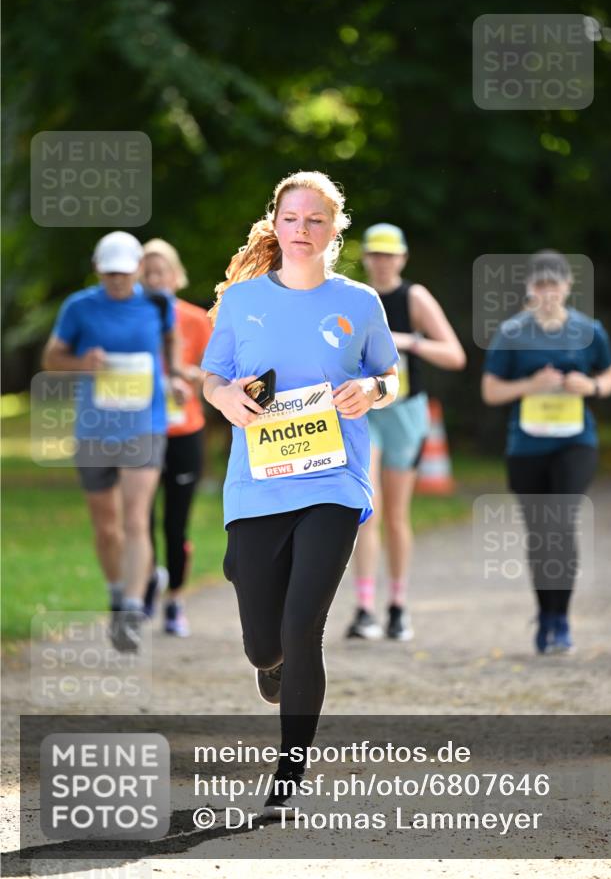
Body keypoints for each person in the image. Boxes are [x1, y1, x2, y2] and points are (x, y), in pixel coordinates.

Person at [201, 170, 399, 816]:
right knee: (266, 643)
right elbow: (212, 379)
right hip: (257, 482)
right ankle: (270, 664)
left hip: (334, 477)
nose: (303, 230)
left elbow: (388, 375)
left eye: (316, 220)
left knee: (302, 624)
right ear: (276, 222)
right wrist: (224, 396)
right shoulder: (241, 301)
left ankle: (286, 779)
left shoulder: (361, 302)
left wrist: (373, 391)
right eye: (292, 218)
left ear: (334, 229)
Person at [42, 231, 181, 653]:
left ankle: (133, 612)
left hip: (145, 424)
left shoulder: (158, 303)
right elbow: (51, 360)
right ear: (98, 270)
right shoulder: (79, 307)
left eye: (124, 273)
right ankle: (118, 591)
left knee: (137, 519)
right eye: (110, 274)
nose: (118, 281)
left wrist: (174, 373)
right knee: (107, 527)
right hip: (94, 429)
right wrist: (82, 363)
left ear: (139, 268)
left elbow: (170, 342)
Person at [481, 250, 611, 654]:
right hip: (527, 446)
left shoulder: (589, 329)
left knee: (561, 522)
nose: (547, 293)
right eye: (539, 285)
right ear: (529, 288)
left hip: (576, 442)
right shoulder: (511, 332)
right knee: (541, 534)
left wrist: (590, 387)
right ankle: (545, 614)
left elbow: (609, 375)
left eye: (553, 285)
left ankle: (562, 619)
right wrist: (529, 386)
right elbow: (491, 391)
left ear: (567, 287)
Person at [346, 223, 466, 642]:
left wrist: (409, 342)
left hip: (406, 415)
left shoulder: (413, 297)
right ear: (365, 259)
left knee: (397, 515)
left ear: (402, 258)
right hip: (366, 412)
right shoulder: (353, 297)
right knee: (368, 511)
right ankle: (364, 609)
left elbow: (454, 354)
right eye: (374, 254)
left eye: (389, 254)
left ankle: (397, 604)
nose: (381, 262)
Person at [141, 239, 212, 636]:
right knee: (140, 520)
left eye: (161, 271)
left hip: (185, 431)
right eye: (147, 272)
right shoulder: (132, 318)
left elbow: (216, 375)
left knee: (176, 524)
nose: (154, 279)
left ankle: (176, 602)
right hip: (142, 430)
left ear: (175, 274)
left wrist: (186, 374)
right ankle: (149, 583)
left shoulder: (195, 319)